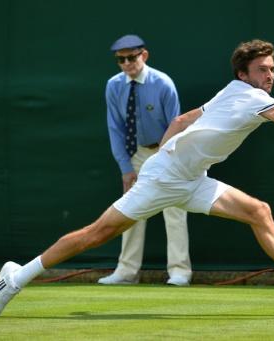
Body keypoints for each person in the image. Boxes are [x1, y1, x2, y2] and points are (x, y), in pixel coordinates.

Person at [0, 39, 274, 317]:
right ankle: (15, 277)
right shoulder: (251, 97)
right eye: (262, 69)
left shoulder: (231, 92)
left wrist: (167, 152)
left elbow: (181, 119)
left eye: (272, 69)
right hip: (165, 178)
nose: (270, 75)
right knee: (97, 234)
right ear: (244, 73)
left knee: (259, 211)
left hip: (191, 177)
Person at [99, 34, 192, 286]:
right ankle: (127, 271)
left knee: (174, 210)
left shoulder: (163, 83)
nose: (127, 63)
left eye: (132, 57)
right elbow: (115, 128)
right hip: (136, 154)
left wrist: (165, 160)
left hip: (167, 152)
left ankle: (180, 272)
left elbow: (177, 126)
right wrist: (125, 168)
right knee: (129, 209)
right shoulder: (113, 85)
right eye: (121, 59)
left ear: (144, 55)